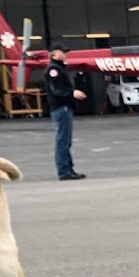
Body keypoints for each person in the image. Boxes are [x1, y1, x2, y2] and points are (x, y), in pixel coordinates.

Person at [43, 48, 86, 181]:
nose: (65, 54)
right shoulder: (53, 70)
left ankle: (68, 169)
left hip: (63, 107)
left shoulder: (59, 69)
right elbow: (56, 90)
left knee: (65, 140)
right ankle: (64, 170)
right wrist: (71, 93)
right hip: (61, 108)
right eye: (62, 52)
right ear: (55, 53)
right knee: (62, 140)